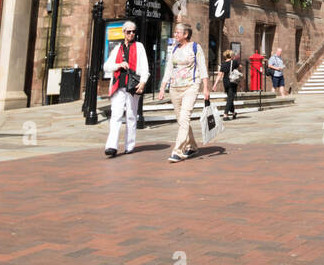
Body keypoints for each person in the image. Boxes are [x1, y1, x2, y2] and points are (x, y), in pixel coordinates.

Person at [158, 22, 210, 162]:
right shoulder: (174, 49)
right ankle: (192, 146)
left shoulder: (195, 47)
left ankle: (178, 151)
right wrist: (163, 87)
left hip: (190, 86)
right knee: (181, 120)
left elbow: (203, 68)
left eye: (177, 32)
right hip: (175, 88)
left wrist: (205, 88)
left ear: (185, 34)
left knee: (184, 117)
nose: (175, 35)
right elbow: (169, 69)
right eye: (174, 32)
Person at [102, 20, 149, 157]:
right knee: (116, 115)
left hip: (133, 86)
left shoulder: (139, 47)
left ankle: (130, 145)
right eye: (129, 31)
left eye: (134, 31)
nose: (131, 34)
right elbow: (106, 66)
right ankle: (111, 146)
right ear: (123, 33)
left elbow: (145, 67)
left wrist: (143, 82)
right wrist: (119, 65)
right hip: (119, 86)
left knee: (131, 116)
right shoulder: (117, 48)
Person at [212, 48, 241, 119]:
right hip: (232, 81)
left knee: (230, 97)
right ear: (231, 56)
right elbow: (240, 67)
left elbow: (219, 75)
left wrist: (215, 85)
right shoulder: (234, 62)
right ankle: (225, 114)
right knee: (230, 98)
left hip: (225, 82)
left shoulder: (223, 64)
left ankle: (233, 112)